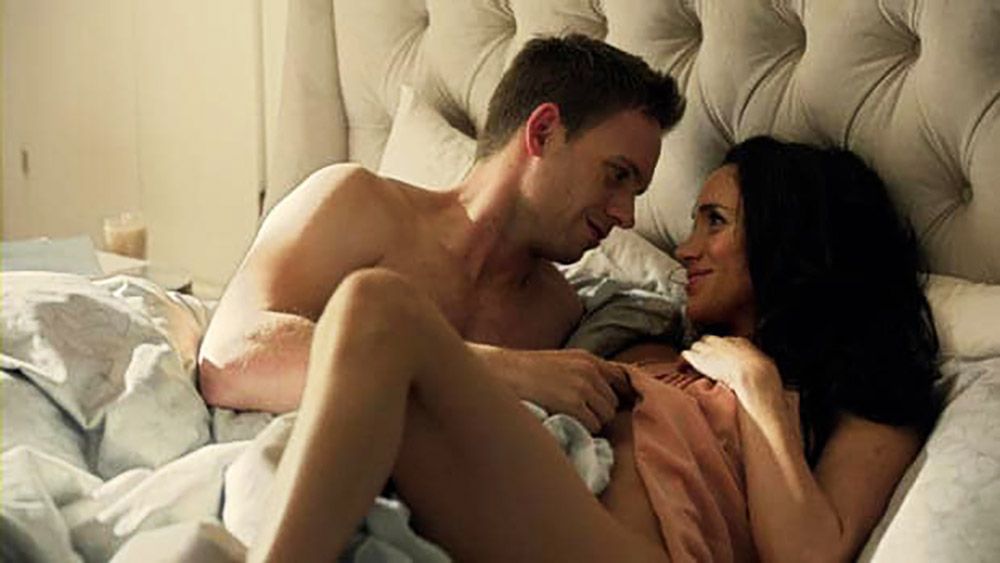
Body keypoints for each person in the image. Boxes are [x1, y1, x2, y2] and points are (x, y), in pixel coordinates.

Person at [246, 136, 940, 562]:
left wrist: (757, 387)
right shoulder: (646, 336)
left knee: (381, 307)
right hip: (538, 506)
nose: (684, 248)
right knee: (373, 306)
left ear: (792, 237)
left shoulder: (860, 395)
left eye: (715, 221)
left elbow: (808, 555)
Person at [197, 35, 684, 429]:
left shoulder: (558, 313)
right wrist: (508, 371)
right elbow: (232, 359)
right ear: (542, 132)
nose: (626, 215)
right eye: (617, 174)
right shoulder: (358, 204)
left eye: (636, 191)